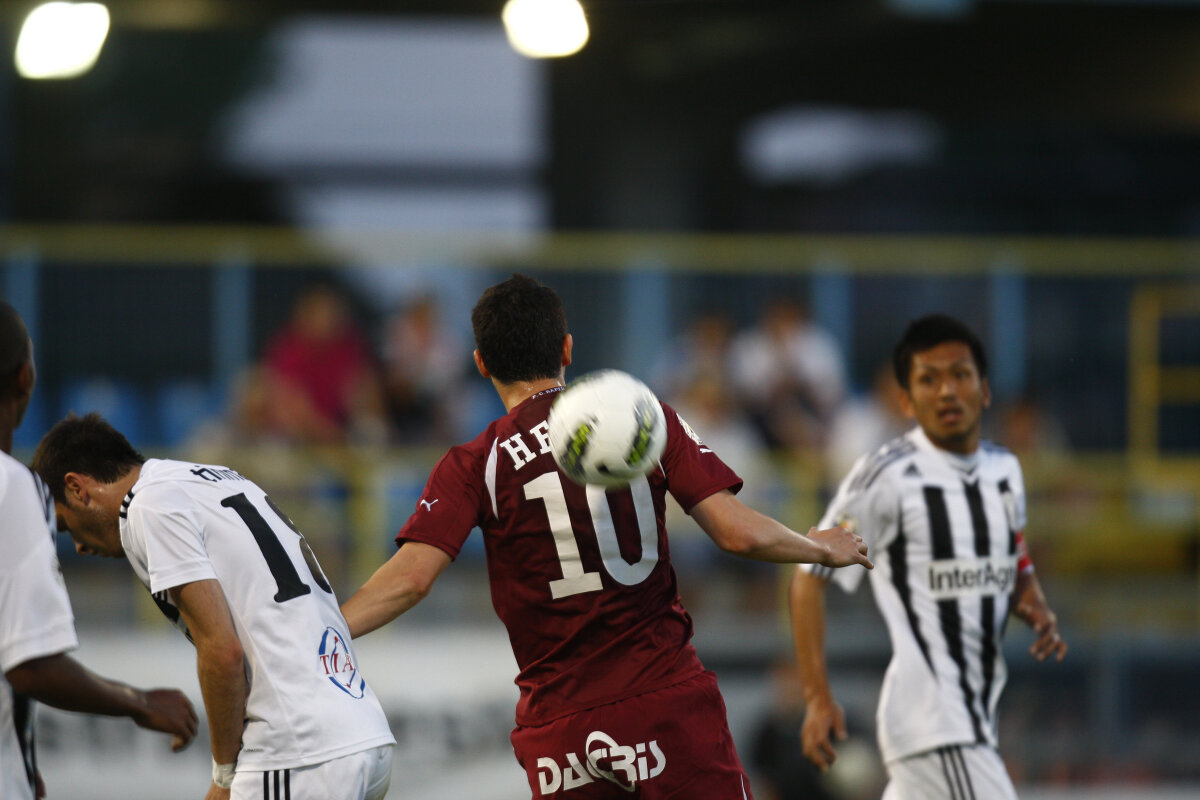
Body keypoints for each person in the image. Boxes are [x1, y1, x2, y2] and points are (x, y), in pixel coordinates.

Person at [339, 274, 872, 799]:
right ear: (567, 349)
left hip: (560, 727)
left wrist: (314, 633)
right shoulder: (644, 419)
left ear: (480, 363)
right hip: (663, 701)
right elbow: (735, 534)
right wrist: (819, 544)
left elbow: (410, 580)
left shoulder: (474, 464)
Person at [32, 413, 395, 800]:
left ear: (76, 488)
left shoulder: (149, 506)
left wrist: (223, 777)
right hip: (360, 729)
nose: (79, 547)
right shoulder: (213, 477)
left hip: (296, 748)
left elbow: (222, 651)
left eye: (65, 526)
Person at [789, 314, 1068, 800]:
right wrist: (816, 697)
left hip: (973, 718)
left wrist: (1031, 596)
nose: (946, 391)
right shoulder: (886, 477)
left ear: (984, 389)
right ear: (905, 399)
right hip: (935, 724)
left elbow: (1014, 544)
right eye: (928, 379)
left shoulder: (1005, 469)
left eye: (960, 375)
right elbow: (808, 576)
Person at [0, 301, 198, 800]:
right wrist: (139, 701)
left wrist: (23, 754)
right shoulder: (11, 487)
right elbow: (30, 664)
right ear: (26, 379)